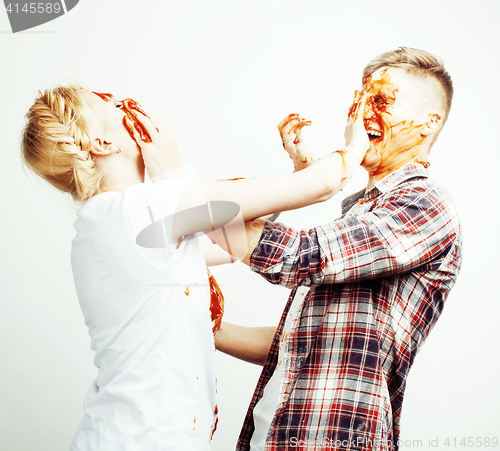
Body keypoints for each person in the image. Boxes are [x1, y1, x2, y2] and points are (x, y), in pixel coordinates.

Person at [20, 85, 369, 450]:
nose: (129, 105)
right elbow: (323, 184)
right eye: (114, 105)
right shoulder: (138, 210)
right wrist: (357, 140)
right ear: (103, 144)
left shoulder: (115, 221)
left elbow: (230, 244)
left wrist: (296, 173)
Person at [214, 47, 463, 451]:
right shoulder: (357, 213)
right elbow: (299, 346)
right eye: (361, 98)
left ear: (428, 122)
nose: (363, 113)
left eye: (381, 100)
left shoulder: (424, 204)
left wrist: (188, 211)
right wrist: (205, 325)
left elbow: (296, 257)